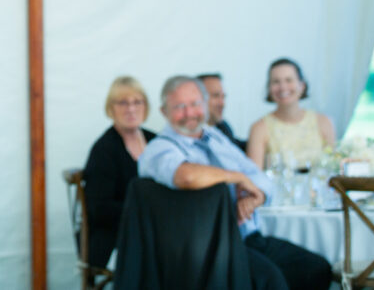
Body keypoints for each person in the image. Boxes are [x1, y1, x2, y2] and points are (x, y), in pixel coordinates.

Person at [139, 75, 332, 290]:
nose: (189, 113)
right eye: (179, 106)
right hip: (207, 249)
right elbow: (186, 176)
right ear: (164, 112)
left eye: (195, 104)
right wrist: (237, 177)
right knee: (270, 280)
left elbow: (258, 176)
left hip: (249, 237)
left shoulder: (214, 136)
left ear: (204, 104)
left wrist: (254, 196)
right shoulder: (159, 148)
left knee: (316, 269)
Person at [83, 76, 156, 270]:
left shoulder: (156, 141)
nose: (131, 109)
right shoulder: (104, 149)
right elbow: (99, 209)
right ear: (111, 108)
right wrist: (146, 213)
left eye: (137, 102)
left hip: (154, 231)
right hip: (115, 239)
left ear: (145, 106)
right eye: (123, 102)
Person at [246, 58, 336, 170]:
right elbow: (255, 179)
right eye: (276, 82)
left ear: (302, 86)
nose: (283, 87)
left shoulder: (324, 122)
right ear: (269, 88)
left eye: (289, 80)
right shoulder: (259, 128)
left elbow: (333, 170)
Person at [197, 73, 247, 151]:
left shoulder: (222, 126)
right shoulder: (189, 135)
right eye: (215, 96)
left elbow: (236, 146)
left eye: (223, 97)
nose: (222, 103)